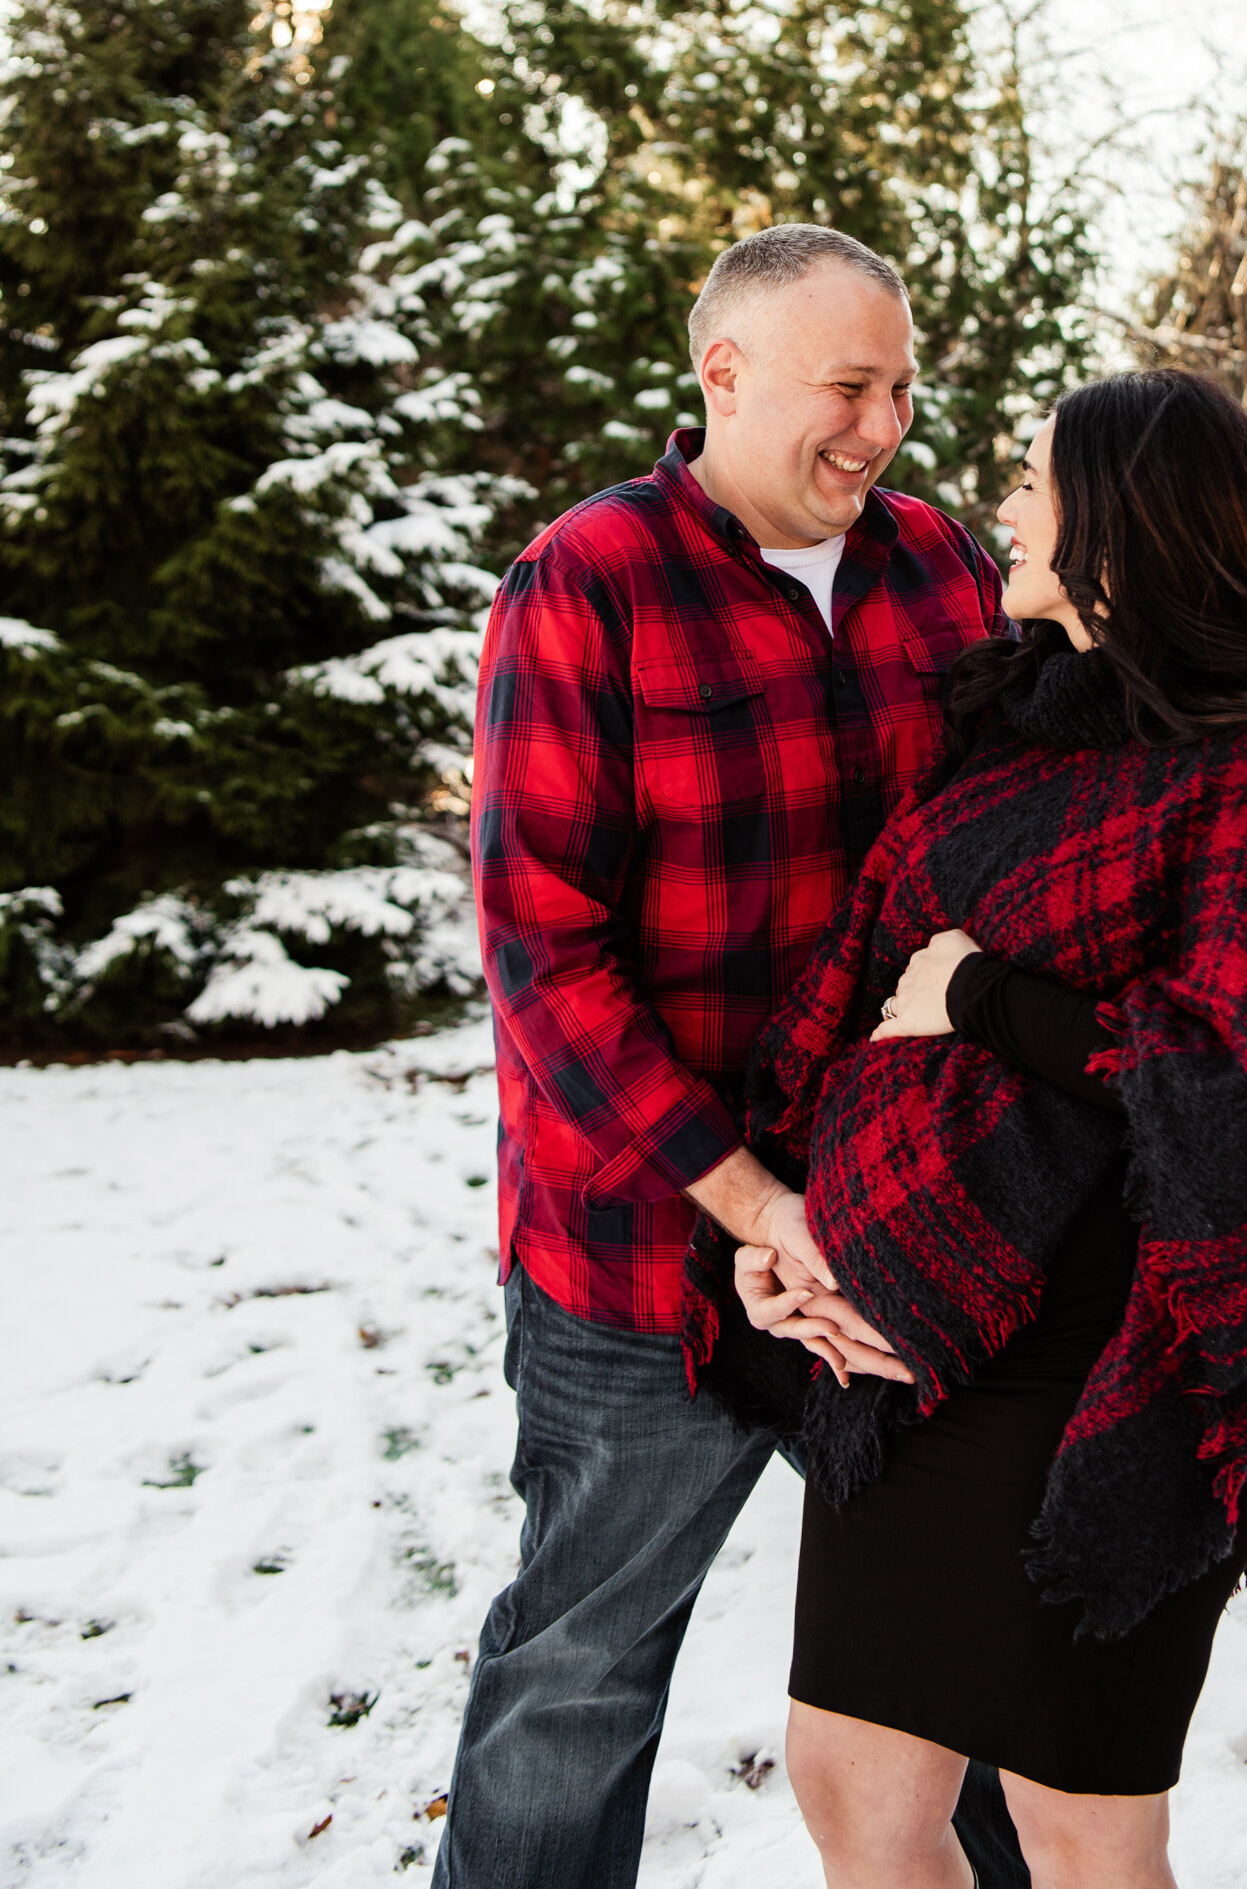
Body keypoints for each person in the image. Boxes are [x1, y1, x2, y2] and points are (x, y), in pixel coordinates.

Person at [685, 368, 1247, 1889]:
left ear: (1121, 523)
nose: (1001, 507)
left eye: (1032, 480)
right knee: (850, 1788)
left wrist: (990, 999)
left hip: (1112, 1358)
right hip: (922, 1342)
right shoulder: (1008, 728)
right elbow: (868, 991)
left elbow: (1239, 1092)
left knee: (1075, 1826)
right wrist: (783, 1231)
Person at [435, 224, 1035, 1888]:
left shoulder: (943, 569)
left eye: (901, 388)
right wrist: (747, 1197)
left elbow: (1013, 856)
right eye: (848, 385)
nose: (881, 425)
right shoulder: (589, 583)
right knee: (576, 1678)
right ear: (724, 375)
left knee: (966, 1686)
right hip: (644, 1256)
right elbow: (539, 948)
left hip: (899, 1237)